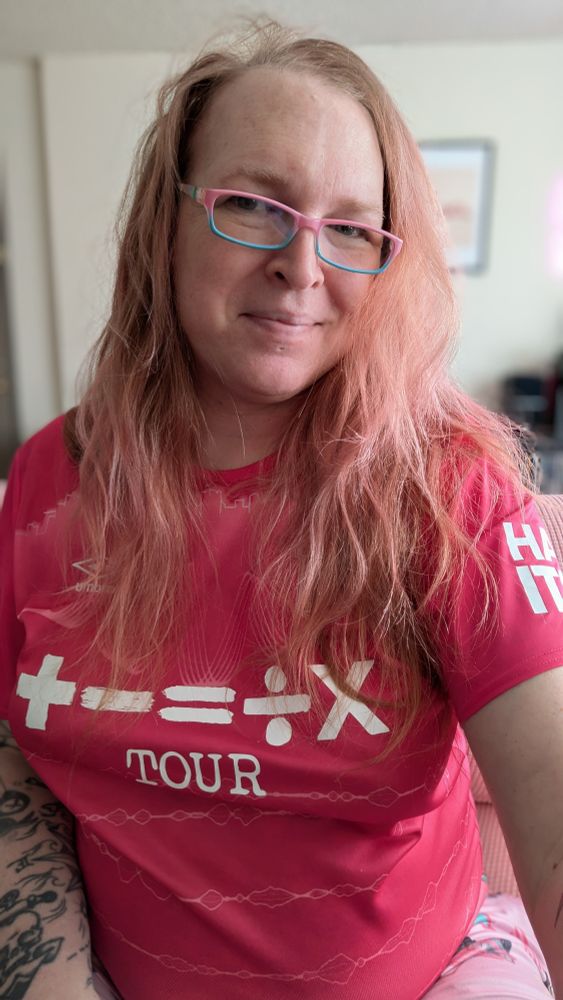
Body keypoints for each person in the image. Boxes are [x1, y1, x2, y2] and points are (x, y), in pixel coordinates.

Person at [1, 20, 562, 1000]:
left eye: (349, 227)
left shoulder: (449, 485)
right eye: (254, 206)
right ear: (165, 224)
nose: (302, 267)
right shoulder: (53, 475)